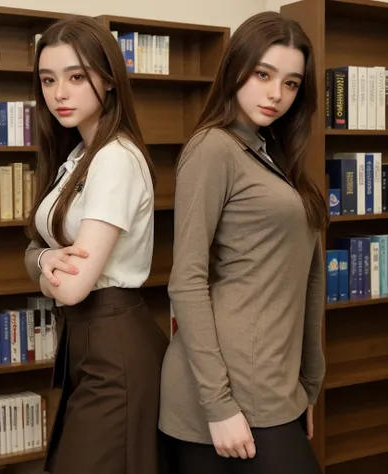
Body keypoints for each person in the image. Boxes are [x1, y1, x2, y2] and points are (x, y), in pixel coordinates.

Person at [158, 11, 329, 474]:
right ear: (236, 68)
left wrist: (307, 386)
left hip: (276, 386)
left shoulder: (272, 157)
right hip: (223, 393)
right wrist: (218, 405)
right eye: (263, 74)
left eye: (291, 83)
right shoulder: (213, 148)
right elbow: (187, 281)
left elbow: (308, 281)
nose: (276, 94)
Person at [23, 14, 168, 474]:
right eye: (48, 79)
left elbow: (72, 289)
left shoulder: (115, 160)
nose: (59, 93)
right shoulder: (78, 157)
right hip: (85, 342)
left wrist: (40, 268)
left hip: (115, 344)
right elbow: (36, 248)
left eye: (76, 76)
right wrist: (44, 259)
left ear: (107, 79)